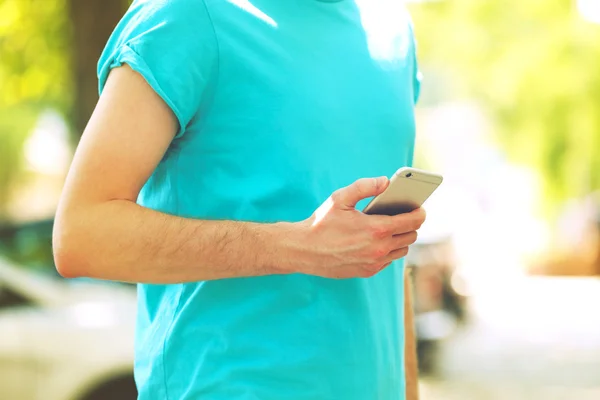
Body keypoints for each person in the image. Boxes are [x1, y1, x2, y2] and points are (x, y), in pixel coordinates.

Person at [53, 0, 426, 399]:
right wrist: (299, 246)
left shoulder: (392, 29)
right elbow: (81, 236)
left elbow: (383, 247)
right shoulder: (185, 15)